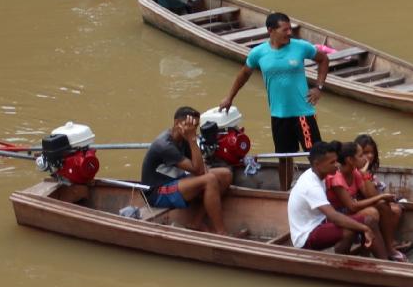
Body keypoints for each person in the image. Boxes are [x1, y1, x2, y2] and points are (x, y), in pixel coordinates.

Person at [219, 12, 328, 156]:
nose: (289, 33)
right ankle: (286, 180)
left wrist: (319, 87)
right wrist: (229, 98)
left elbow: (324, 60)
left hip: (303, 113)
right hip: (278, 114)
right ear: (271, 31)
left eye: (290, 29)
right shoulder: (258, 53)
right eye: (285, 30)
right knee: (284, 157)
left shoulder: (301, 47)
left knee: (316, 155)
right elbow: (244, 74)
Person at [287, 142, 391, 256]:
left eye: (336, 160)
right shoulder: (311, 185)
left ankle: (380, 261)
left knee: (369, 220)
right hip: (306, 236)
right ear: (317, 164)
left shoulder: (319, 174)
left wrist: (364, 226)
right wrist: (364, 229)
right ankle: (343, 261)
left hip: (322, 222)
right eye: (332, 162)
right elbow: (334, 217)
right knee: (351, 229)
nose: (337, 164)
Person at [138, 106, 231, 235]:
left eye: (195, 126)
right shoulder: (165, 145)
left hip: (176, 180)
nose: (192, 129)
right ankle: (222, 233)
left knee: (225, 174)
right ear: (177, 123)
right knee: (210, 180)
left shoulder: (184, 139)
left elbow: (200, 168)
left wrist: (191, 140)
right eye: (189, 125)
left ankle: (196, 223)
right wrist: (192, 139)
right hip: (157, 192)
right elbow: (199, 172)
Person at [327, 139, 405, 261]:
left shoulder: (355, 173)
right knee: (372, 212)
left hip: (350, 212)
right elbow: (352, 206)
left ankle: (389, 249)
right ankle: (379, 257)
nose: (366, 158)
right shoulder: (337, 178)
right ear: (350, 160)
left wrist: (365, 174)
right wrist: (381, 196)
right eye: (361, 155)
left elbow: (371, 195)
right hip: (337, 216)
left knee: (382, 205)